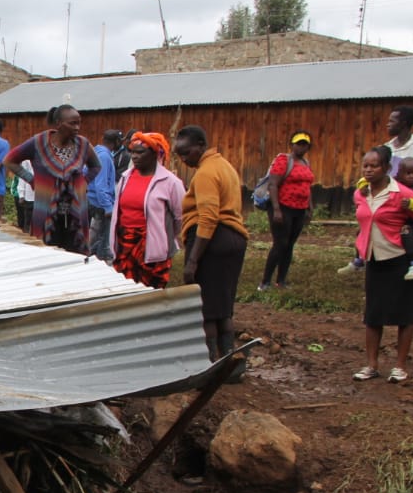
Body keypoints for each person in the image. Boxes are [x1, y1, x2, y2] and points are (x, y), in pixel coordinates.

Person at [352, 145, 413, 384]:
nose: (368, 170)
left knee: (404, 313)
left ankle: (399, 366)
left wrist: (408, 243)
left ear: (387, 168)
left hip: (400, 260)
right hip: (374, 259)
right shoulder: (361, 193)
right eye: (365, 165)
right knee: (373, 314)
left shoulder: (403, 194)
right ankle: (371, 365)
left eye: (374, 165)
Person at [174, 125, 248, 362]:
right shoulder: (224, 166)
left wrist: (193, 260)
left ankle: (212, 363)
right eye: (179, 155)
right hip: (233, 238)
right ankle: (229, 361)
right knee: (223, 306)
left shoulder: (206, 173)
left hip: (212, 242)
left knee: (206, 311)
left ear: (201, 146)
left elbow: (208, 217)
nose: (184, 159)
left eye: (187, 153)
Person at [2, 105, 102, 253]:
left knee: (75, 255)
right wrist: (32, 180)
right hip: (45, 210)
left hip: (75, 212)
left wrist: (83, 182)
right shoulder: (39, 143)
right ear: (58, 124)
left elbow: (96, 166)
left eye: (79, 123)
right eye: (72, 123)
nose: (77, 127)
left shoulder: (83, 145)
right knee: (45, 252)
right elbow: (9, 161)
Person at [108, 131, 185, 288]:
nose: (134, 157)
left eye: (140, 152)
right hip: (124, 244)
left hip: (152, 247)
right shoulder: (125, 178)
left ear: (155, 154)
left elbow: (180, 217)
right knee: (125, 290)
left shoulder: (170, 182)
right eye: (132, 152)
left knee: (151, 292)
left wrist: (163, 237)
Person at [259, 131, 316, 290]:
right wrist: (276, 209)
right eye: (298, 143)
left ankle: (281, 280)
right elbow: (273, 184)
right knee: (280, 244)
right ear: (292, 144)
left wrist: (309, 207)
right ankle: (265, 282)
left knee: (290, 244)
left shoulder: (306, 163)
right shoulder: (283, 160)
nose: (301, 147)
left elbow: (307, 187)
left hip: (299, 209)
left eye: (305, 144)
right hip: (283, 207)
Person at [88, 132, 120, 261]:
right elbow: (100, 185)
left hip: (93, 199)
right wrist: (108, 207)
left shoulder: (97, 153)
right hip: (99, 203)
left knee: (96, 236)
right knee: (103, 240)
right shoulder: (104, 157)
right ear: (116, 141)